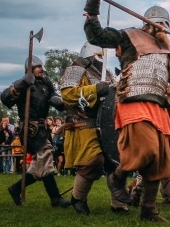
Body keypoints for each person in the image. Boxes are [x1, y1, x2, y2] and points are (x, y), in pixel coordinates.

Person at [83, 0, 170, 221]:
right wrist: (93, 8)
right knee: (147, 150)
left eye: (163, 24)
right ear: (148, 24)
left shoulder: (167, 51)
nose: (159, 27)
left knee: (161, 162)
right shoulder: (129, 37)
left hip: (158, 108)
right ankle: (117, 177)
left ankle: (148, 210)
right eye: (157, 23)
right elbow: (98, 37)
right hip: (134, 102)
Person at [1, 55, 70, 209]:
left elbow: (53, 96)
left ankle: (16, 189)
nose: (41, 69)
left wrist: (58, 101)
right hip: (30, 129)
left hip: (42, 128)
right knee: (46, 155)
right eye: (37, 67)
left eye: (41, 67)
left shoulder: (46, 83)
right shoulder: (23, 84)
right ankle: (55, 199)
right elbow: (5, 98)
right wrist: (20, 85)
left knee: (39, 167)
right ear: (30, 69)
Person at [58, 41, 117, 215]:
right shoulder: (75, 70)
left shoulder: (107, 73)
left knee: (115, 162)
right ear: (90, 55)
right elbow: (67, 95)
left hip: (106, 126)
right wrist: (95, 89)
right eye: (99, 55)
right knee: (93, 161)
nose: (102, 59)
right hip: (83, 125)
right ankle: (78, 198)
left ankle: (119, 203)